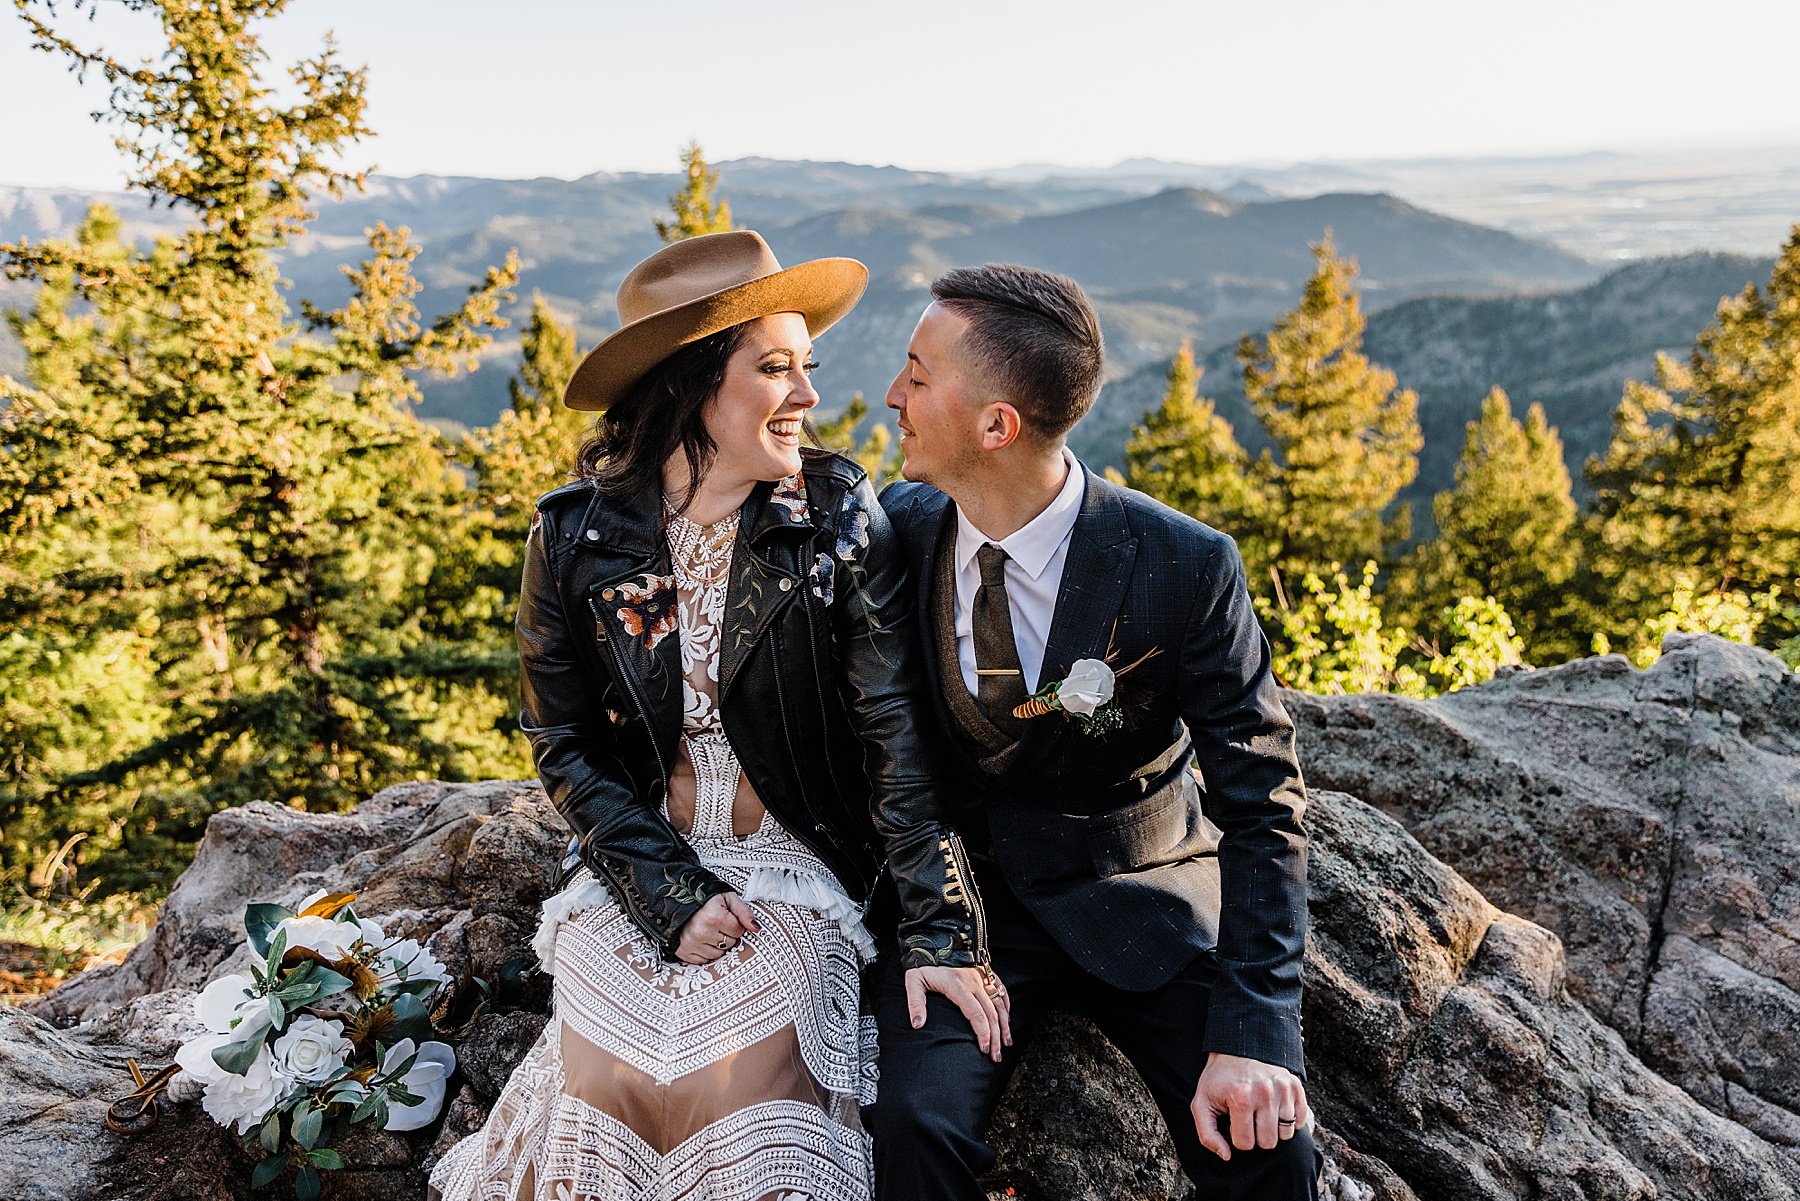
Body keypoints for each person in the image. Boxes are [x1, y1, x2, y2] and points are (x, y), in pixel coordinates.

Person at [429, 231, 1004, 1201]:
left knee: (723, 1081)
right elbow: (562, 740)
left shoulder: (832, 510)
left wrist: (944, 933)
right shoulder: (575, 537)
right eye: (775, 368)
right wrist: (667, 893)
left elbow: (892, 733)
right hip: (641, 866)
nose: (807, 396)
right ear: (692, 382)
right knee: (613, 1082)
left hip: (802, 869)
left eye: (805, 367)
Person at [871, 263, 1323, 1199]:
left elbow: (1264, 802)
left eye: (917, 374)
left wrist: (1254, 1030)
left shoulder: (1184, 564)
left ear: (997, 426)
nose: (892, 396)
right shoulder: (897, 530)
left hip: (1143, 899)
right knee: (914, 1128)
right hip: (969, 919)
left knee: (1269, 1151)